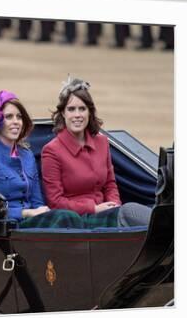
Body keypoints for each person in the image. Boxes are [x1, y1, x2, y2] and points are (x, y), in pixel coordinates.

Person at [41, 77, 151, 227]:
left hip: (107, 211)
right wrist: (94, 208)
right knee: (130, 211)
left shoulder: (102, 142)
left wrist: (114, 204)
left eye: (82, 109)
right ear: (62, 113)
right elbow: (55, 201)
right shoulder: (52, 151)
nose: (77, 115)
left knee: (138, 214)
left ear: (90, 112)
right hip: (78, 220)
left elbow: (110, 184)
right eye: (71, 109)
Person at [0, 90, 84, 229]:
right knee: (66, 217)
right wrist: (27, 213)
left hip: (32, 223)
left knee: (70, 216)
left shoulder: (27, 155)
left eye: (19, 117)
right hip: (7, 227)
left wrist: (42, 213)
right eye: (9, 117)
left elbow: (37, 201)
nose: (16, 122)